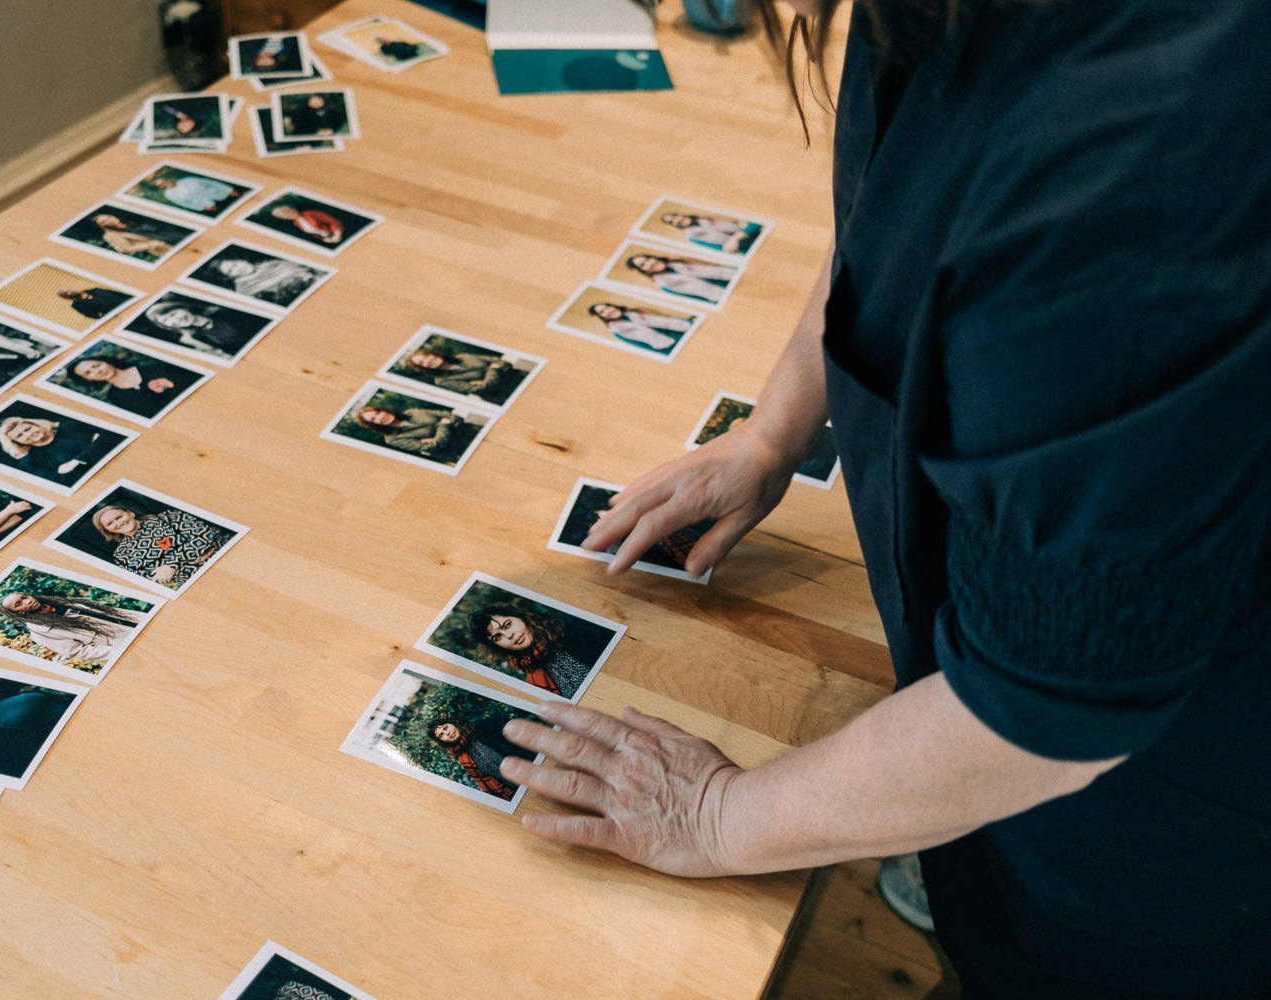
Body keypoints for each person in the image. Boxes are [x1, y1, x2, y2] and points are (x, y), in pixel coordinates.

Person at [499, 2, 1271, 997]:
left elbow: (1045, 709)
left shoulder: (1133, 145)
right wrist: (773, 429)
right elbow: (897, 211)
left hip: (1166, 814)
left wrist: (717, 816)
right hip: (1006, 690)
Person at [467, 605, 593, 698]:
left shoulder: (570, 625)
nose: (509, 635)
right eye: (497, 637)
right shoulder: (530, 670)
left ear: (520, 617)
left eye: (507, 625)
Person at [89, 503, 226, 588]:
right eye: (110, 524)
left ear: (130, 513)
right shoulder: (122, 555)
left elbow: (205, 535)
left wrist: (171, 565)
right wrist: (191, 554)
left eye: (119, 517)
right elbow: (153, 580)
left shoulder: (169, 517)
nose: (118, 523)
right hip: (195, 585)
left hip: (222, 561)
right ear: (107, 530)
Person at [0, 590, 141, 664]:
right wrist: (122, 651)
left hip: (137, 627)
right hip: (129, 648)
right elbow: (79, 652)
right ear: (18, 612)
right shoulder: (41, 632)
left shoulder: (60, 603)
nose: (27, 601)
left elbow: (112, 613)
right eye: (18, 604)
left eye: (24, 597)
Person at [427, 716, 525, 800]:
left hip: (525, 766)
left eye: (446, 727)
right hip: (515, 787)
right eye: (441, 735)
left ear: (452, 723)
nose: (447, 733)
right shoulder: (462, 757)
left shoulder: (482, 726)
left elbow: (517, 738)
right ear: (442, 741)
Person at [0, 415, 114, 483]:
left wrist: (75, 461)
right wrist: (95, 444)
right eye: (19, 436)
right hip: (97, 481)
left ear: (37, 424)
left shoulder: (71, 426)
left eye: (27, 429)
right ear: (16, 443)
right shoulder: (31, 462)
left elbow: (112, 437)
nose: (28, 435)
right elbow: (63, 481)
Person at [64, 356, 184, 417]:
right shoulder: (115, 396)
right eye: (88, 373)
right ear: (88, 380)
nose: (97, 371)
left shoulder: (151, 368)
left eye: (96, 365)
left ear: (106, 361)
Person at [137, 300, 248, 359]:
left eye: (173, 314)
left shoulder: (222, 311)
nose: (175, 320)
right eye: (166, 321)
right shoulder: (195, 338)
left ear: (183, 307)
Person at [403, 347, 518, 403]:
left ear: (433, 354)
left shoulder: (463, 356)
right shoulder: (442, 381)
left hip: (518, 377)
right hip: (507, 395)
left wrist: (485, 379)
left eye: (426, 357)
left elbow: (503, 363)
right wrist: (493, 369)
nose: (427, 361)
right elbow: (483, 389)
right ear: (423, 368)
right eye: (422, 363)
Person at [623, 253, 735, 306]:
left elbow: (716, 266)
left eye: (647, 259)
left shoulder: (681, 260)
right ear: (644, 271)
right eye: (643, 265)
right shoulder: (665, 285)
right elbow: (696, 301)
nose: (650, 263)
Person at [353, 405, 461, 460]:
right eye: (373, 419)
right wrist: (444, 424)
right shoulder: (392, 439)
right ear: (374, 425)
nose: (380, 417)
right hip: (460, 449)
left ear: (383, 410)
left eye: (378, 413)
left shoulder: (412, 412)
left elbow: (452, 416)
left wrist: (436, 437)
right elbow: (432, 447)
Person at [586, 301, 693, 354]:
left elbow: (668, 318)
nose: (608, 311)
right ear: (602, 317)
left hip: (687, 330)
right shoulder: (618, 331)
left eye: (607, 307)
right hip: (672, 347)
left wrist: (691, 322)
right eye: (602, 312)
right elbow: (644, 347)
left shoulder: (637, 311)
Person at [205, 254, 316, 306]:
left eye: (235, 264)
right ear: (229, 277)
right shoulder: (245, 291)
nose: (238, 268)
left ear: (240, 259)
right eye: (230, 271)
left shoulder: (269, 264)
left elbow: (302, 266)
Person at [659, 211, 762, 256]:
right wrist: (740, 236)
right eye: (672, 222)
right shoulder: (692, 237)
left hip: (759, 234)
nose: (676, 220)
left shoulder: (709, 217)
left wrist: (735, 238)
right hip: (749, 249)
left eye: (675, 217)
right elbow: (726, 250)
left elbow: (753, 224)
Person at [83, 213, 172, 259]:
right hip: (163, 245)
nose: (109, 220)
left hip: (169, 235)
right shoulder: (110, 235)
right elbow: (124, 249)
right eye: (104, 222)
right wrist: (151, 245)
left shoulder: (128, 220)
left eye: (108, 217)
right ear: (101, 226)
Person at [147, 173, 241, 215]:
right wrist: (202, 208)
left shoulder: (188, 180)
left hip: (224, 195)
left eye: (164, 181)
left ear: (168, 179)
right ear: (161, 187)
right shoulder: (169, 195)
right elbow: (185, 204)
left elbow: (210, 182)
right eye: (162, 184)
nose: (165, 183)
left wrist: (229, 190)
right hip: (211, 206)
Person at [267, 202, 344, 244]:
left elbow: (333, 221)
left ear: (292, 209)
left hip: (340, 233)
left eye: (287, 212)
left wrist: (337, 234)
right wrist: (324, 239)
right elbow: (314, 233)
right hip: (329, 240)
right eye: (283, 216)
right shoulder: (296, 223)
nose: (287, 215)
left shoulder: (309, 213)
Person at [281, 94, 345, 138]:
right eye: (313, 100)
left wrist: (331, 130)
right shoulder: (301, 113)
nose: (316, 102)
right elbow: (300, 127)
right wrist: (315, 132)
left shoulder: (332, 112)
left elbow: (340, 120)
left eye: (318, 99)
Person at [57, 286, 131, 321]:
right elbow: (94, 315)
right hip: (122, 314)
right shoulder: (77, 305)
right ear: (67, 297)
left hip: (128, 302)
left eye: (69, 289)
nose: (71, 291)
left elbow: (116, 293)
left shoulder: (94, 290)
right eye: (67, 293)